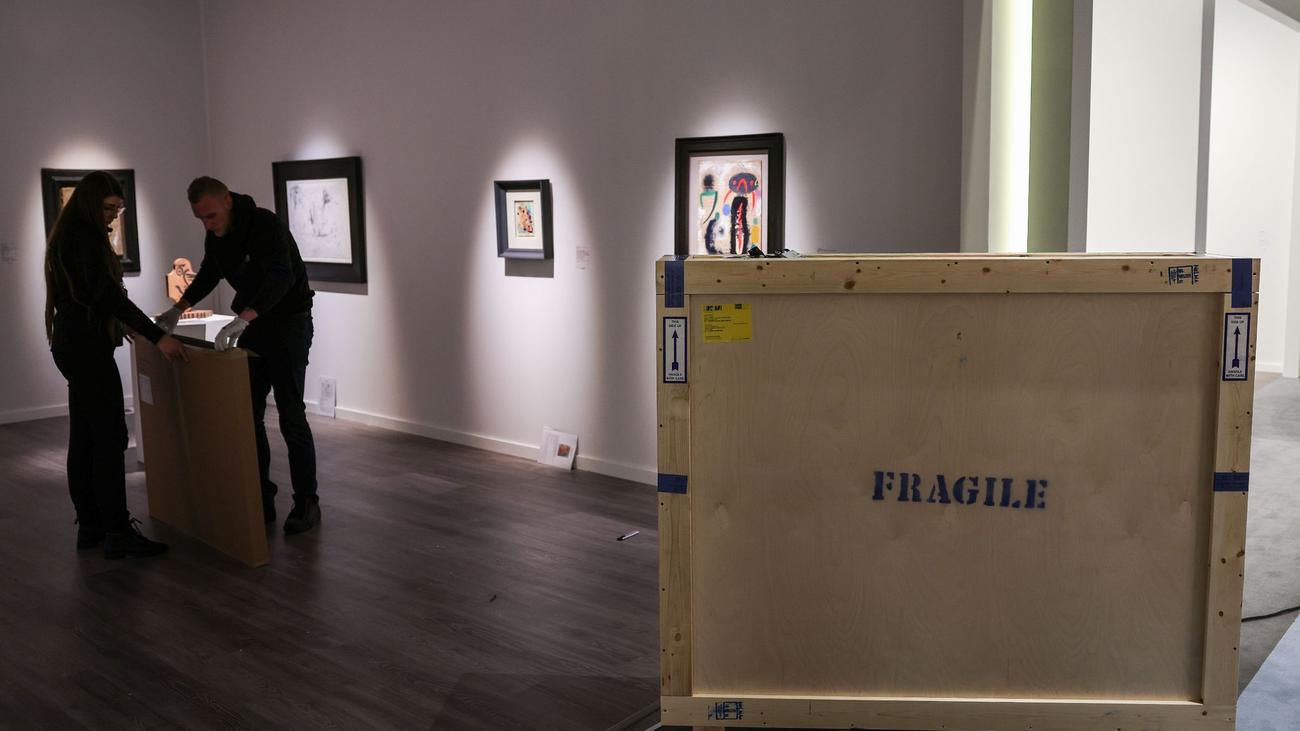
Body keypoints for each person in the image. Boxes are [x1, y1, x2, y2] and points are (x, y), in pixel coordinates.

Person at [155, 177, 320, 534]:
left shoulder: (265, 225)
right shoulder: (216, 237)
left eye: (211, 216)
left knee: (291, 414)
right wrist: (178, 309)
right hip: (254, 324)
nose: (207, 224)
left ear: (227, 201)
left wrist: (245, 317)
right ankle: (261, 497)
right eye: (200, 218)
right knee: (249, 413)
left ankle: (307, 502)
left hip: (289, 324)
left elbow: (281, 277)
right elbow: (209, 273)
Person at [44, 171, 189, 559]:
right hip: (86, 349)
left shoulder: (66, 236)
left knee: (86, 437)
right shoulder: (84, 238)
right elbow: (108, 296)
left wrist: (122, 324)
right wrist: (158, 336)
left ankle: (91, 527)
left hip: (72, 345)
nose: (112, 216)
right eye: (109, 208)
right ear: (91, 204)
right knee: (109, 438)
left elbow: (92, 296)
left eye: (118, 209)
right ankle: (117, 532)